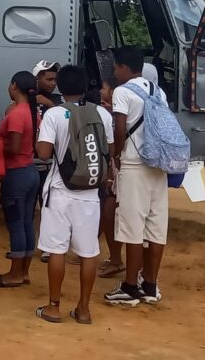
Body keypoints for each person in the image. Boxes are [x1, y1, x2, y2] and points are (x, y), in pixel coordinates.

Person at [34, 65, 113, 324]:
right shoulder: (102, 113)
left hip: (60, 188)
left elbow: (44, 153)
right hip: (90, 191)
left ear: (60, 87)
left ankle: (54, 306)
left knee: (57, 250)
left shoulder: (55, 114)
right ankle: (83, 309)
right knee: (88, 252)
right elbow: (109, 148)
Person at [104, 46, 168, 306]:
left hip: (134, 163)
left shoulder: (122, 91)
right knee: (155, 227)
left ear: (123, 67)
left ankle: (130, 287)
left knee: (132, 226)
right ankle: (150, 285)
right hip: (158, 164)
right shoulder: (158, 91)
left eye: (116, 68)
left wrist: (116, 156)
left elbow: (119, 129)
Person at [0, 71, 41, 288]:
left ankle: (15, 273)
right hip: (30, 170)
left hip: (16, 173)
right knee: (26, 222)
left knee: (16, 223)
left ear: (14, 86)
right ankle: (24, 271)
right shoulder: (32, 112)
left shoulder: (18, 114)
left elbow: (15, 147)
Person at [31, 59, 63, 260]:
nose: (53, 83)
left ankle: (49, 247)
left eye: (55, 79)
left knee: (48, 205)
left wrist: (49, 104)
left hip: (51, 161)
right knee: (27, 206)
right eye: (49, 78)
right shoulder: (26, 97)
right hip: (29, 161)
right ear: (38, 78)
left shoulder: (58, 100)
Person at [96, 79, 125, 279]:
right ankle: (115, 258)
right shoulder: (113, 111)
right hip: (117, 171)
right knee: (108, 212)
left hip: (120, 170)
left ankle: (117, 260)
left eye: (105, 88)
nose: (101, 91)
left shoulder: (117, 113)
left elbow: (116, 141)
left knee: (109, 213)